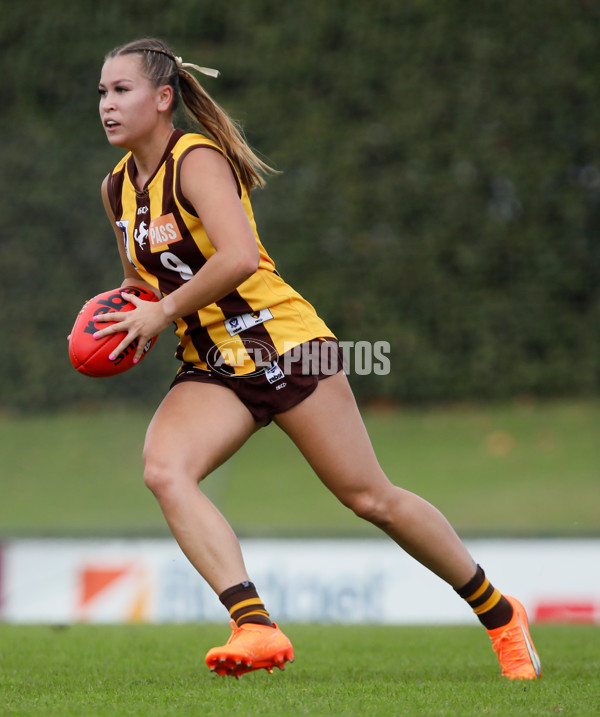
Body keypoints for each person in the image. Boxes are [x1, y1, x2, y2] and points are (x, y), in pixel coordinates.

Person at [92, 37, 541, 680]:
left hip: (284, 341)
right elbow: (145, 283)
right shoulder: (117, 190)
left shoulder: (195, 159)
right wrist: (126, 319)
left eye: (121, 89)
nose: (107, 104)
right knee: (165, 470)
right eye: (102, 92)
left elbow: (240, 256)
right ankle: (254, 626)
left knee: (370, 497)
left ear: (164, 99)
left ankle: (500, 615)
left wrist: (161, 310)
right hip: (213, 363)